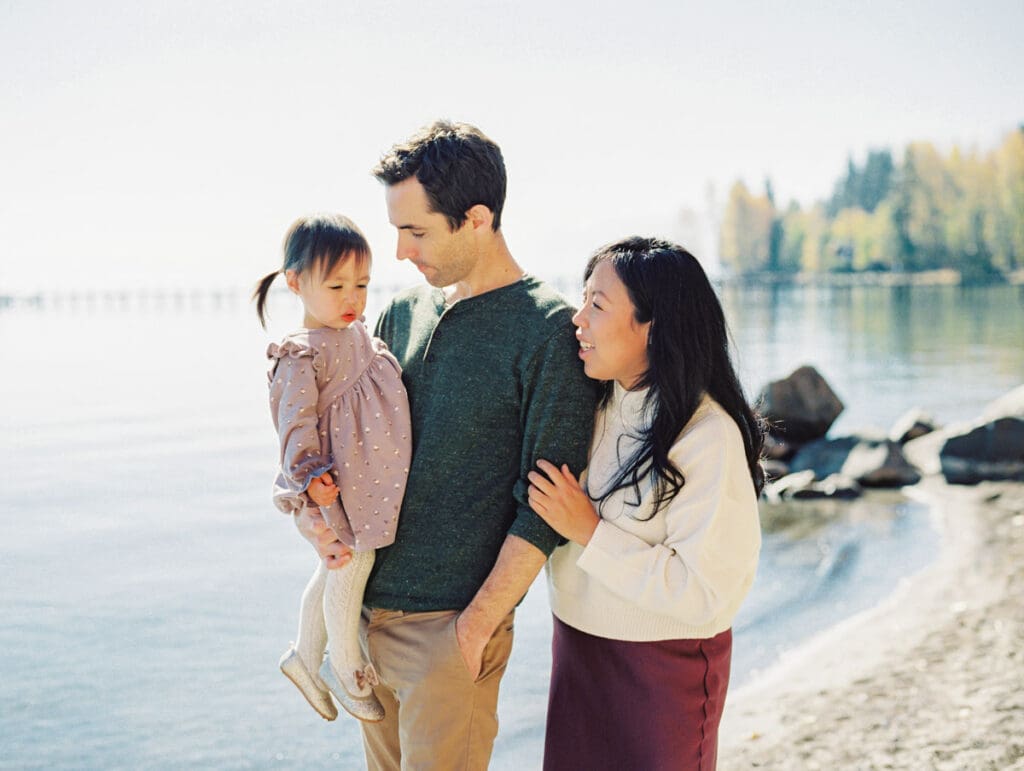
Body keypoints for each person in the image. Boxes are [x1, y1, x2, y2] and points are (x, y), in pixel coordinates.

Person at [294, 120, 599, 769]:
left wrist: (476, 626)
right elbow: (342, 443)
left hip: (449, 635)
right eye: (396, 229)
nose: (399, 252)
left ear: (478, 218)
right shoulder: (398, 314)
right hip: (367, 622)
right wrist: (318, 522)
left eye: (417, 230)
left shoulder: (546, 333)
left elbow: (542, 503)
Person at [527, 236, 765, 771]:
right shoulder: (590, 407)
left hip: (664, 672)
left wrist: (590, 532)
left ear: (651, 326)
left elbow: (706, 594)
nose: (577, 319)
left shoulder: (707, 436)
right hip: (577, 654)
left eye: (598, 304)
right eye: (582, 298)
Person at [253, 213, 413, 724]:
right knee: (351, 562)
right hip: (335, 485)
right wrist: (308, 475)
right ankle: (346, 668)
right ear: (296, 283)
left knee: (336, 565)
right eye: (338, 285)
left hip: (366, 482)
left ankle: (304, 657)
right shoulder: (300, 354)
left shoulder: (359, 336)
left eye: (362, 285)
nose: (353, 299)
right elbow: (294, 423)